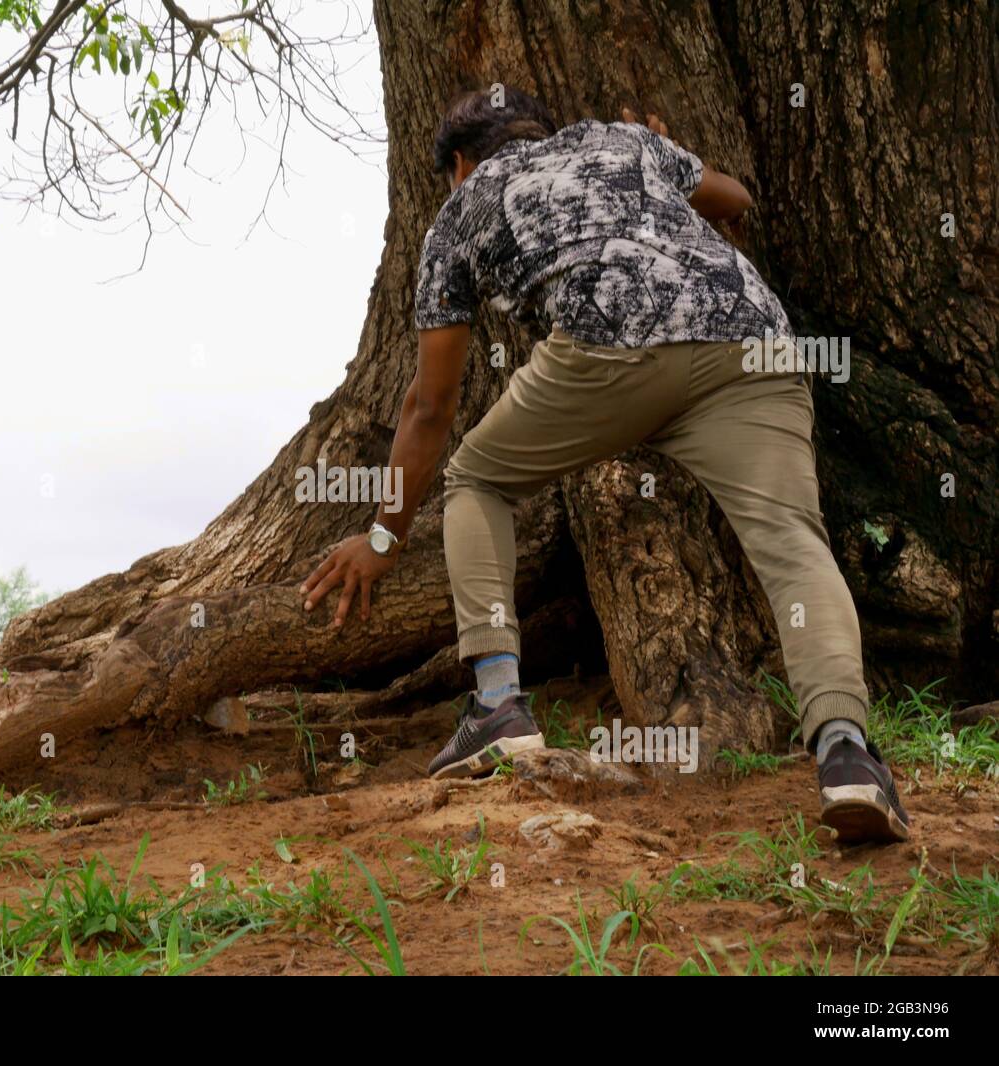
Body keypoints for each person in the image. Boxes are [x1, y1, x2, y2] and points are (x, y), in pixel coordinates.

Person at [300, 87, 908, 844]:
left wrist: (384, 537)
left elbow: (430, 407)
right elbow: (735, 196)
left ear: (459, 165)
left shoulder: (461, 209)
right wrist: (663, 154)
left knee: (478, 480)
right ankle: (847, 753)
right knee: (793, 545)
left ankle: (497, 704)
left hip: (613, 346)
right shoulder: (620, 144)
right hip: (754, 341)